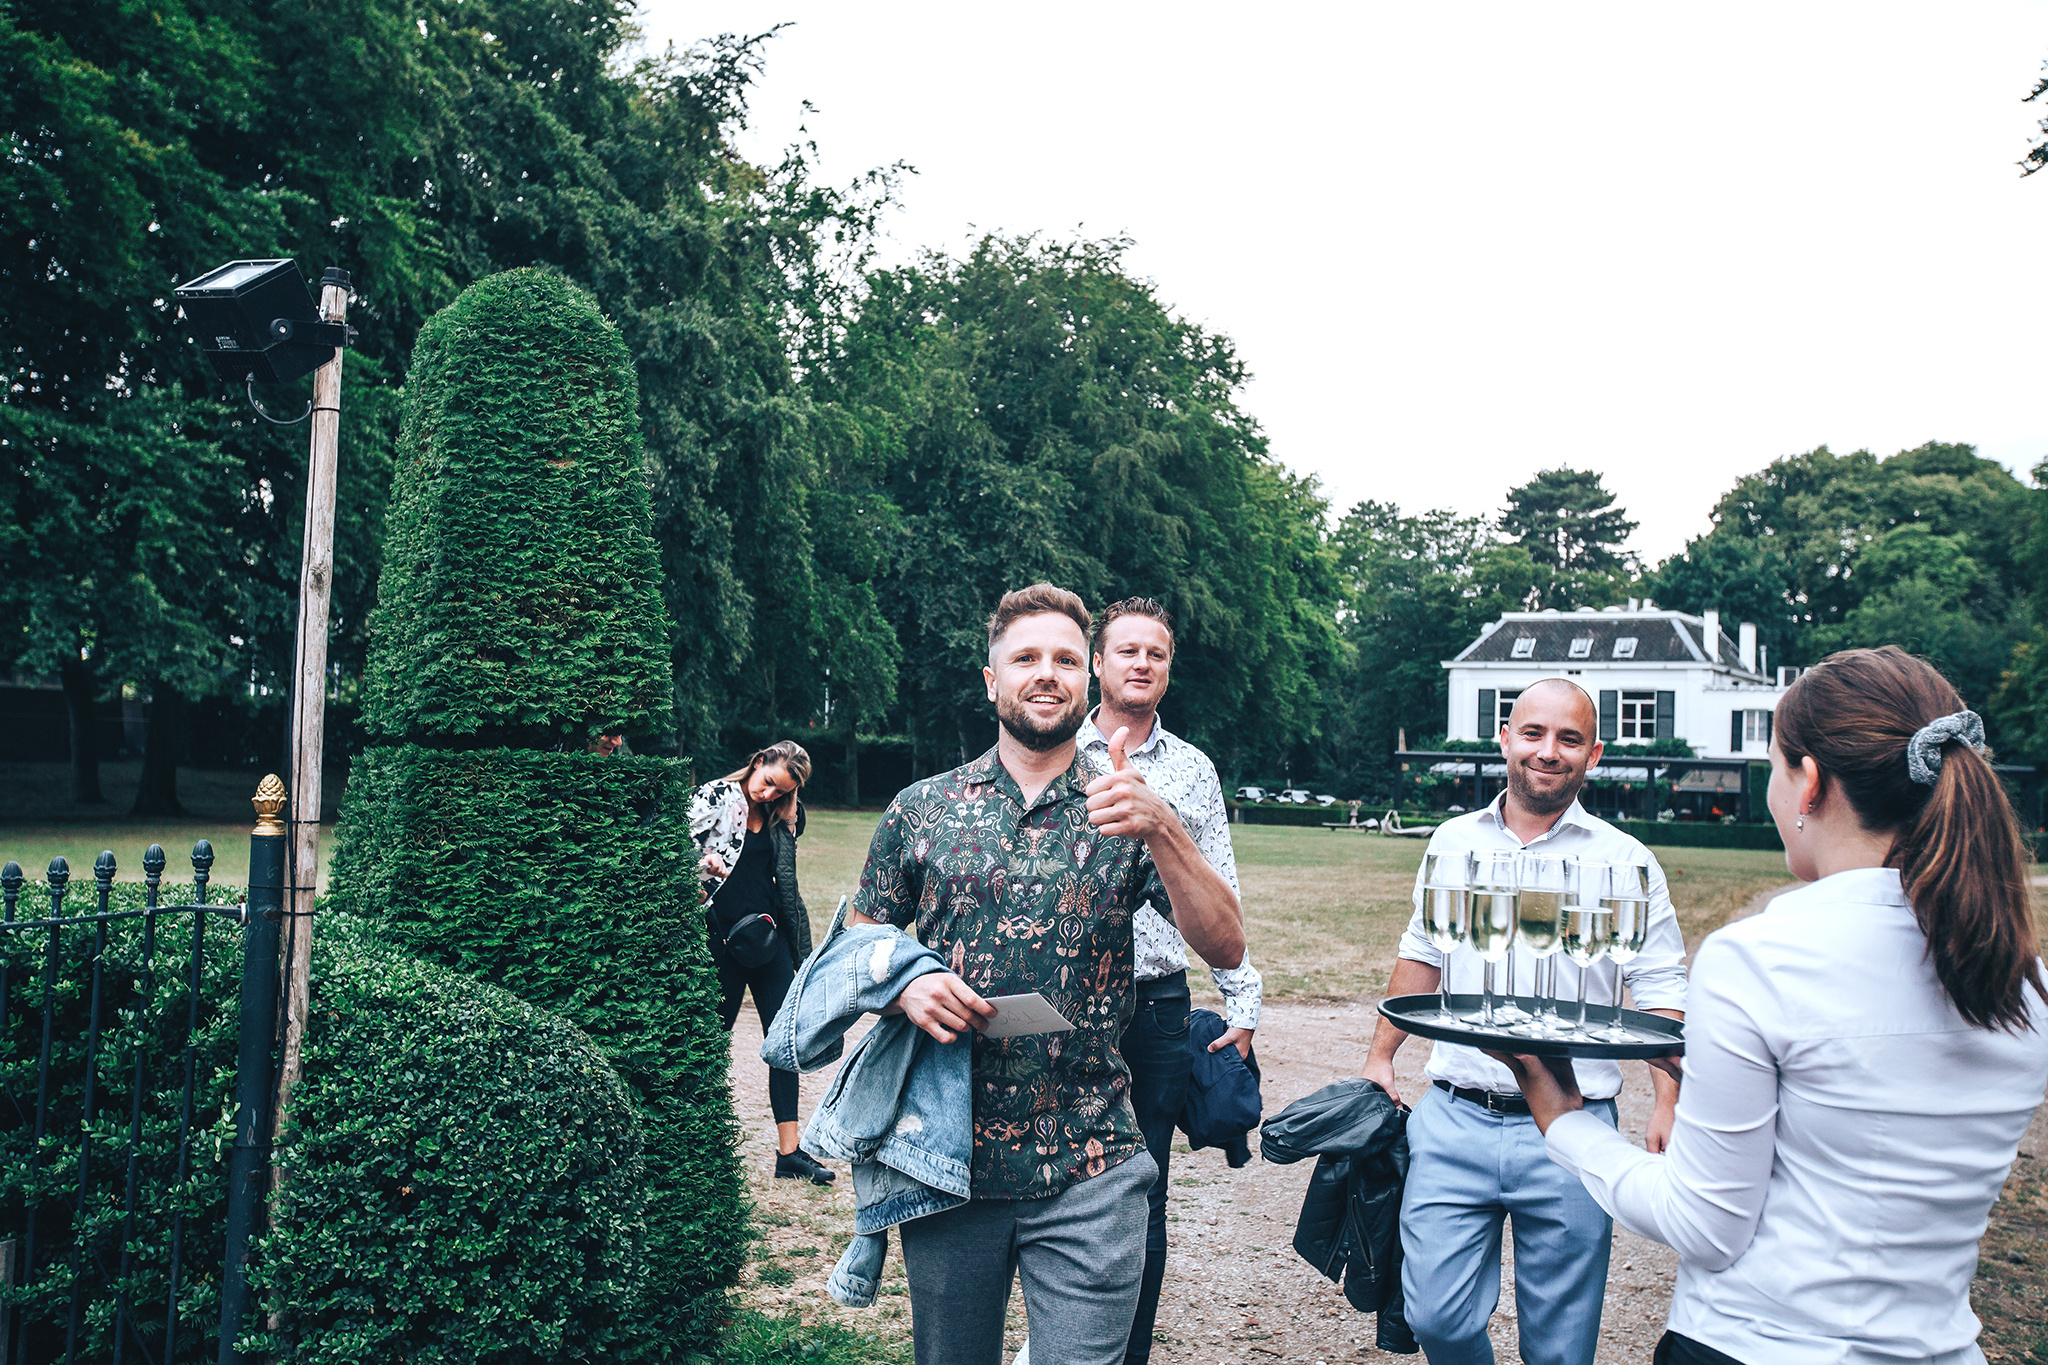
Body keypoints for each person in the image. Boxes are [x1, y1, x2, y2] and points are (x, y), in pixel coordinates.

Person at [1497, 646, 2048, 1365]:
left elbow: (1704, 1224)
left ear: (1809, 781)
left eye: (1773, 770)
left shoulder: (1759, 957)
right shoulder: (2023, 980)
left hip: (1754, 1344)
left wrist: (1564, 1120)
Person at [846, 583, 1247, 1365]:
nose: (1046, 673)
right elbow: (858, 944)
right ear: (990, 678)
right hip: (950, 1157)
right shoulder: (923, 808)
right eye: (1025, 657)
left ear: (1085, 677)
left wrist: (1163, 826)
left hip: (1092, 1160)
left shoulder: (1122, 809)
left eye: (1064, 658)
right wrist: (902, 982)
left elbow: (1226, 944)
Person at [1357, 677, 1686, 1365]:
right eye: (1534, 733)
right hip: (1455, 1115)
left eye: (1569, 738)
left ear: (1594, 753)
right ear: (1505, 738)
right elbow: (1423, 952)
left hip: (1574, 1125)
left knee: (1560, 1348)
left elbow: (1658, 984)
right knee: (1435, 1317)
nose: (1548, 751)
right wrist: (1381, 1054)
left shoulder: (1627, 861)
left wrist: (1668, 1099)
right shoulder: (1452, 841)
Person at [1077, 596, 1263, 1365]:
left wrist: (1242, 1001)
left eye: (1155, 652)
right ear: (1098, 662)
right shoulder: (1055, 751)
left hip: (1156, 1005)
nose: (1142, 662)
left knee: (1142, 1192)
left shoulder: (1193, 769)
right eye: (1127, 649)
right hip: (1065, 999)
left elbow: (1222, 894)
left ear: (1168, 669)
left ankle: (1127, 1356)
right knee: (1048, 1183)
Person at [688, 739, 835, 1184]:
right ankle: (697, 1142)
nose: (768, 793)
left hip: (770, 940)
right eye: (768, 782)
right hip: (722, 940)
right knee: (712, 1042)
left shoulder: (779, 815)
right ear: (757, 762)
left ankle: (789, 1154)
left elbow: (785, 876)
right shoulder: (716, 795)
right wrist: (702, 864)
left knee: (784, 1044)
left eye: (781, 790)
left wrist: (787, 810)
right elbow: (668, 845)